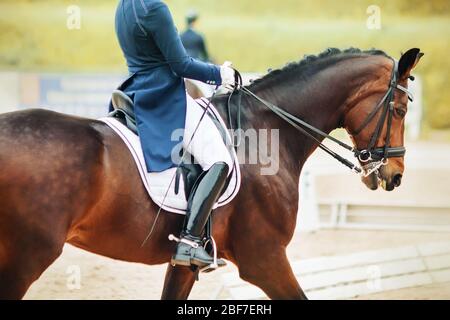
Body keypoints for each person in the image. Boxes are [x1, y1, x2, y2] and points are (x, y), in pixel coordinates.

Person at [112, 0, 235, 268]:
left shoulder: (122, 7)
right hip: (164, 95)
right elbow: (180, 65)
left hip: (136, 90)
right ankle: (189, 241)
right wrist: (221, 73)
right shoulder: (155, 8)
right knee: (219, 159)